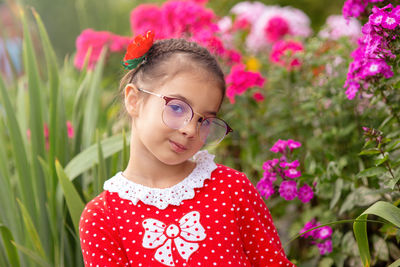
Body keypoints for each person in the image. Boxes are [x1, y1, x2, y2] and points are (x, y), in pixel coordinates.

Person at [79, 31, 295, 267]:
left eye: (204, 121)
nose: (191, 130)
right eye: (178, 108)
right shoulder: (103, 217)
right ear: (134, 100)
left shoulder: (232, 189)